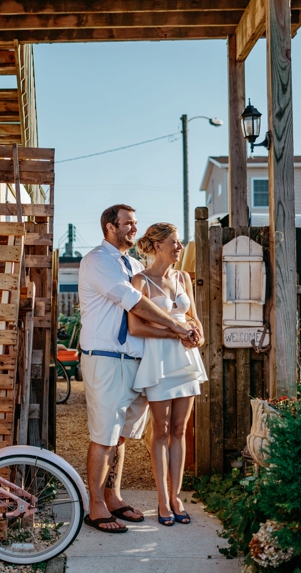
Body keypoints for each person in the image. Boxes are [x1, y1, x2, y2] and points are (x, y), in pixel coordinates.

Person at [78, 205, 197, 533]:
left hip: (136, 360)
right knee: (103, 435)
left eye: (135, 224)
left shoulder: (133, 264)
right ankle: (96, 506)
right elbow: (134, 302)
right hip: (107, 357)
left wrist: (182, 330)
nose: (134, 229)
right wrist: (176, 326)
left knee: (122, 436)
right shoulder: (98, 261)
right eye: (127, 223)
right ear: (109, 227)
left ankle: (113, 496)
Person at [128, 222, 207, 526]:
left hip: (186, 360)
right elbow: (136, 327)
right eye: (174, 242)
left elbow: (193, 318)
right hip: (159, 359)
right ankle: (162, 499)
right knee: (159, 432)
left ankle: (177, 497)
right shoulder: (140, 281)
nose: (179, 247)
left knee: (179, 430)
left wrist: (196, 334)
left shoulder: (184, 277)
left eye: (180, 242)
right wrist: (174, 334)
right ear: (157, 245)